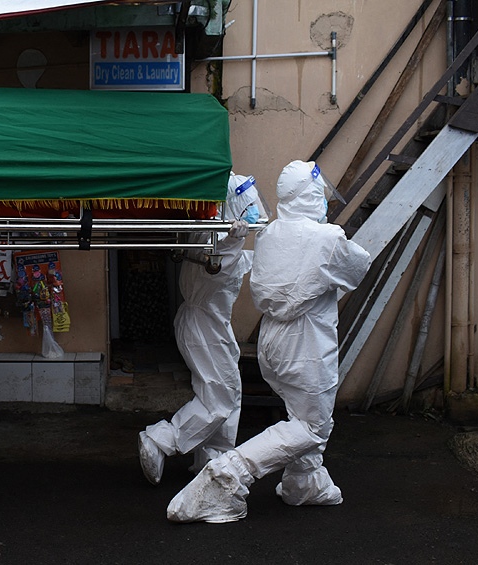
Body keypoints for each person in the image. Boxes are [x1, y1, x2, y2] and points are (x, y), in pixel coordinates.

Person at [166, 160, 372, 523]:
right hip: (305, 344)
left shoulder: (270, 233)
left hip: (271, 342)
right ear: (311, 194)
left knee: (299, 413)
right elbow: (358, 267)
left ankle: (304, 484)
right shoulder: (326, 238)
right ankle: (228, 474)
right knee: (312, 426)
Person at [138, 172, 263, 485]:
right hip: (204, 326)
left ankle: (214, 462)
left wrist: (235, 241)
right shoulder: (218, 245)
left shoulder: (206, 237)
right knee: (220, 399)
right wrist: (234, 240)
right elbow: (219, 266)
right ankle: (161, 439)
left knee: (227, 393)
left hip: (208, 325)